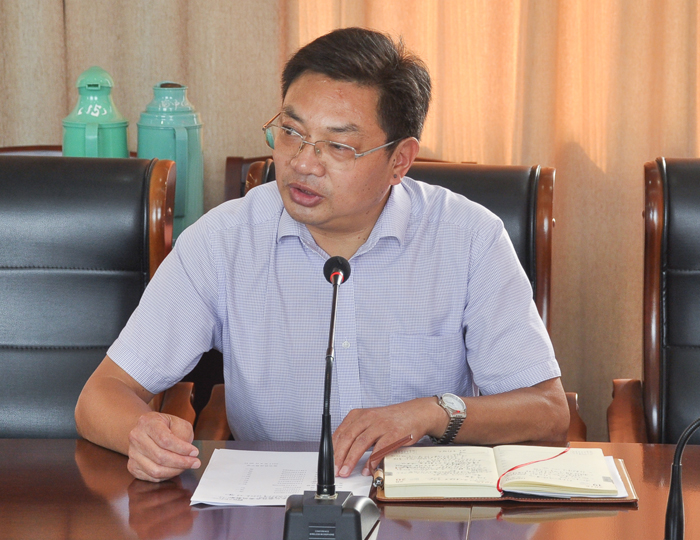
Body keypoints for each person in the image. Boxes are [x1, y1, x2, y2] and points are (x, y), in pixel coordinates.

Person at [75, 27, 569, 483]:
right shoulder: (223, 241)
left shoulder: (468, 239)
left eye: (337, 146)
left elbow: (546, 411)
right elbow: (101, 395)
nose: (301, 163)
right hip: (270, 509)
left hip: (422, 510)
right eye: (291, 132)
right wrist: (142, 432)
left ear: (400, 160)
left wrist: (431, 412)